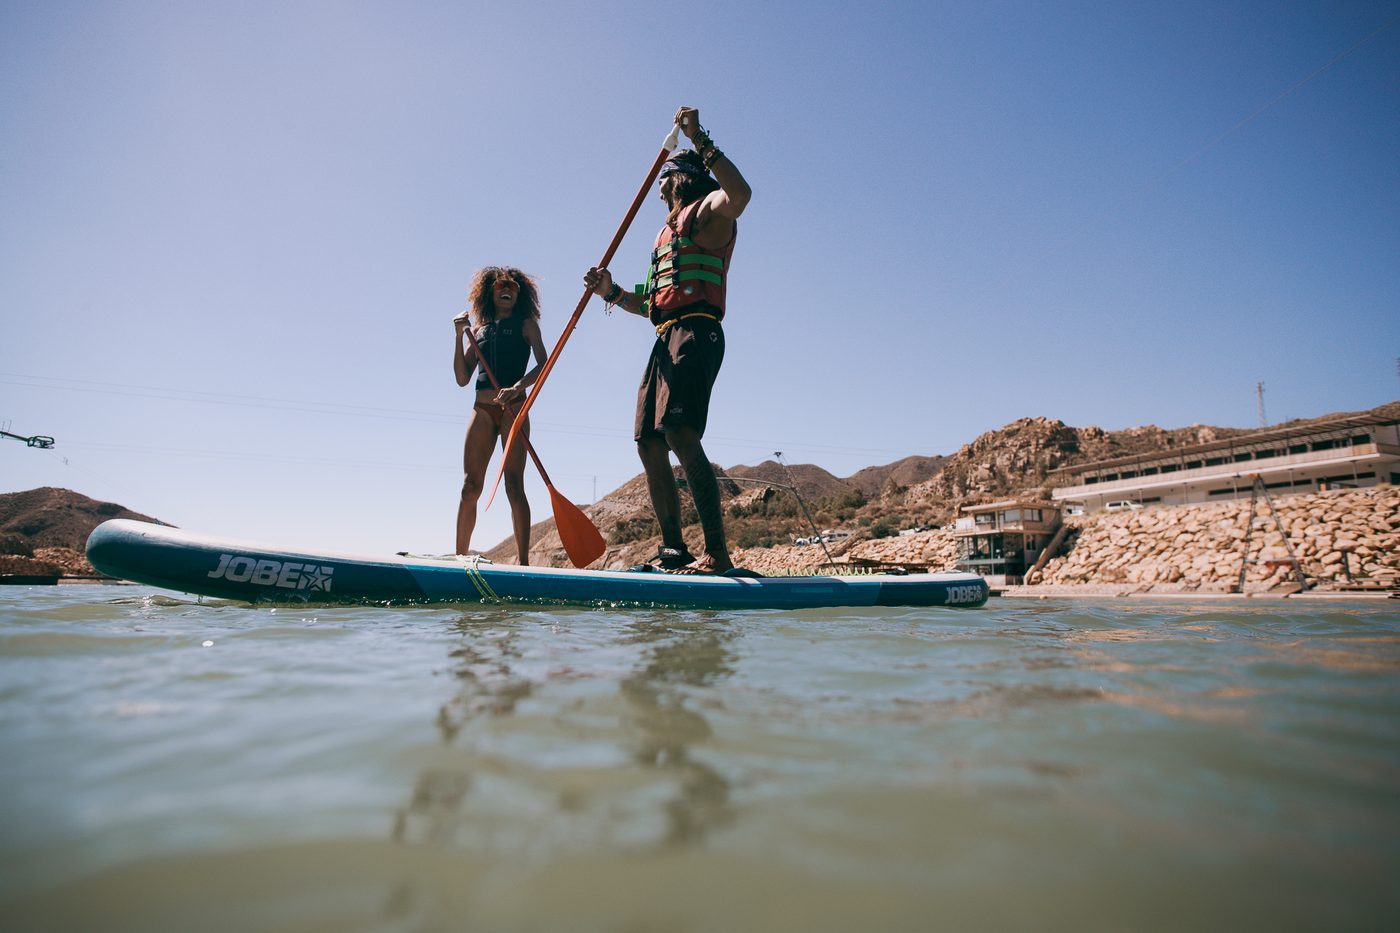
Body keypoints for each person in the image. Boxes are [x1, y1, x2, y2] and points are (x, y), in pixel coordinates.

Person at [584, 106, 752, 574]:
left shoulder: (710, 212)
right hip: (666, 336)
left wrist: (699, 138)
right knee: (648, 440)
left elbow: (741, 193)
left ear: (681, 178)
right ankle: (674, 548)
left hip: (698, 333)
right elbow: (653, 302)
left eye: (664, 176)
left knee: (679, 432)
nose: (658, 183)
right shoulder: (665, 236)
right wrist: (612, 292)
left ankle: (717, 552)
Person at [453, 267, 548, 562]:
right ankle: (460, 558)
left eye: (513, 286)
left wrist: (518, 386)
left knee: (513, 484)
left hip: (514, 408)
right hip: (482, 409)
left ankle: (523, 563)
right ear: (489, 293)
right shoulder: (478, 330)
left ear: (520, 294)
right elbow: (461, 378)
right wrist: (458, 337)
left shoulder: (527, 325)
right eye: (500, 286)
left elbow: (543, 364)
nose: (507, 289)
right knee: (470, 487)